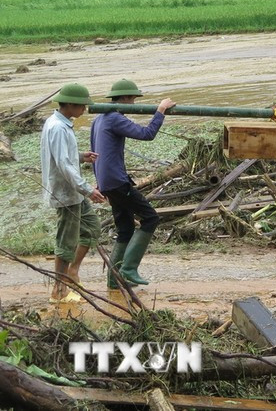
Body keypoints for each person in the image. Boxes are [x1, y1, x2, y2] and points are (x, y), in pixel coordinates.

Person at [91, 80, 176, 287]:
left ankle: (114, 280)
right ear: (126, 99)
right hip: (118, 183)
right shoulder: (115, 119)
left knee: (126, 229)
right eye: (133, 99)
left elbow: (94, 153)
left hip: (108, 182)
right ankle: (129, 268)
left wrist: (99, 182)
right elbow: (147, 134)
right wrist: (161, 110)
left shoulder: (99, 119)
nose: (134, 102)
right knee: (150, 218)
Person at [40, 83, 106, 303]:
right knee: (66, 241)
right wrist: (88, 189)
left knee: (91, 229)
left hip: (73, 192)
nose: (84, 110)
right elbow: (63, 165)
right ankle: (58, 291)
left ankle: (72, 272)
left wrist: (80, 156)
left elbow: (65, 157)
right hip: (66, 193)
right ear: (69, 104)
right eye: (81, 106)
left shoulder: (59, 123)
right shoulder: (58, 128)